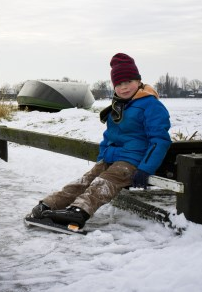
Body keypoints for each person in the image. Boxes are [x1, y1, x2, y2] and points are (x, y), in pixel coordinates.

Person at [31, 53, 172, 228]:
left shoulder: (151, 105)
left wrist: (145, 168)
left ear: (138, 81)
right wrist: (102, 158)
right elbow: (109, 136)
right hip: (112, 157)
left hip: (134, 160)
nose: (124, 87)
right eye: (119, 84)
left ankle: (78, 212)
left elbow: (159, 140)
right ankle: (49, 204)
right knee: (85, 180)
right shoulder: (118, 106)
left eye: (128, 81)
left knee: (103, 183)